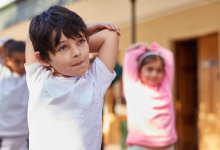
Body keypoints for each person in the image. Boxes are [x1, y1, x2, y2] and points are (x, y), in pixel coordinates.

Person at [25, 5, 120, 150]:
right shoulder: (39, 80)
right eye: (63, 47)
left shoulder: (94, 82)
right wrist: (80, 31)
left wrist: (79, 31)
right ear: (43, 59)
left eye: (81, 42)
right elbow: (32, 38)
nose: (77, 52)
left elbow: (110, 35)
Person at [123, 42, 177, 150]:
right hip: (140, 146)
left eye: (159, 70)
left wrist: (154, 47)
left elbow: (168, 56)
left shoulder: (165, 87)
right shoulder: (133, 86)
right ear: (139, 70)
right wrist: (143, 48)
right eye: (149, 69)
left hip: (166, 145)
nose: (154, 74)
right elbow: (129, 57)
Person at [0, 40, 29, 150]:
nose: (22, 66)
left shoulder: (31, 77)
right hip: (3, 136)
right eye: (17, 61)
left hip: (24, 136)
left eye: (25, 61)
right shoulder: (2, 74)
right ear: (7, 60)